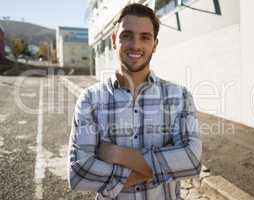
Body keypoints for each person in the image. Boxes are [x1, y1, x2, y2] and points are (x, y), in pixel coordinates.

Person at [68, 3, 201, 200]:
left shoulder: (179, 97)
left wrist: (117, 154)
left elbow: (191, 161)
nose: (135, 45)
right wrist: (164, 166)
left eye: (145, 37)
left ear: (155, 45)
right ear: (114, 39)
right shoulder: (90, 99)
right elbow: (79, 175)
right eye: (127, 35)